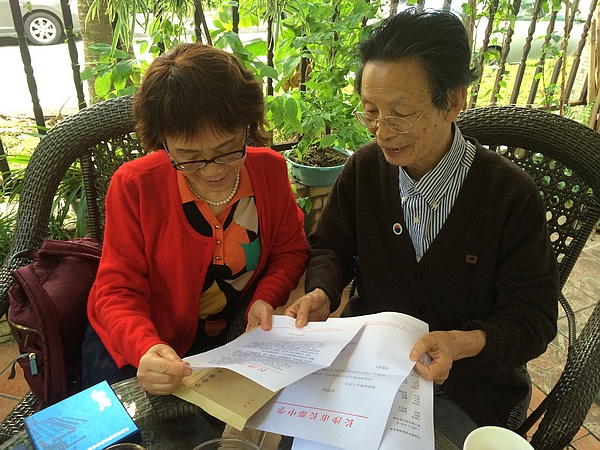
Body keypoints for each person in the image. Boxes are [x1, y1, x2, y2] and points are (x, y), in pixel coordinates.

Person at [284, 8, 559, 447]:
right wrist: (321, 290)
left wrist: (460, 343)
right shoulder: (365, 170)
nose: (381, 132)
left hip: (465, 388)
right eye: (370, 112)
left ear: (453, 102)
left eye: (400, 114)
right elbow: (332, 247)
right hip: (366, 369)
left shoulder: (510, 196)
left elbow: (533, 318)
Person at [82, 43, 309, 397]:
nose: (213, 171)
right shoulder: (134, 186)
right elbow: (116, 291)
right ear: (163, 143)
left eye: (228, 150)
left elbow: (290, 251)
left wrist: (265, 298)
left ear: (247, 126)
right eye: (188, 157)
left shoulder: (270, 171)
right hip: (135, 341)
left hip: (224, 340)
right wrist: (145, 347)